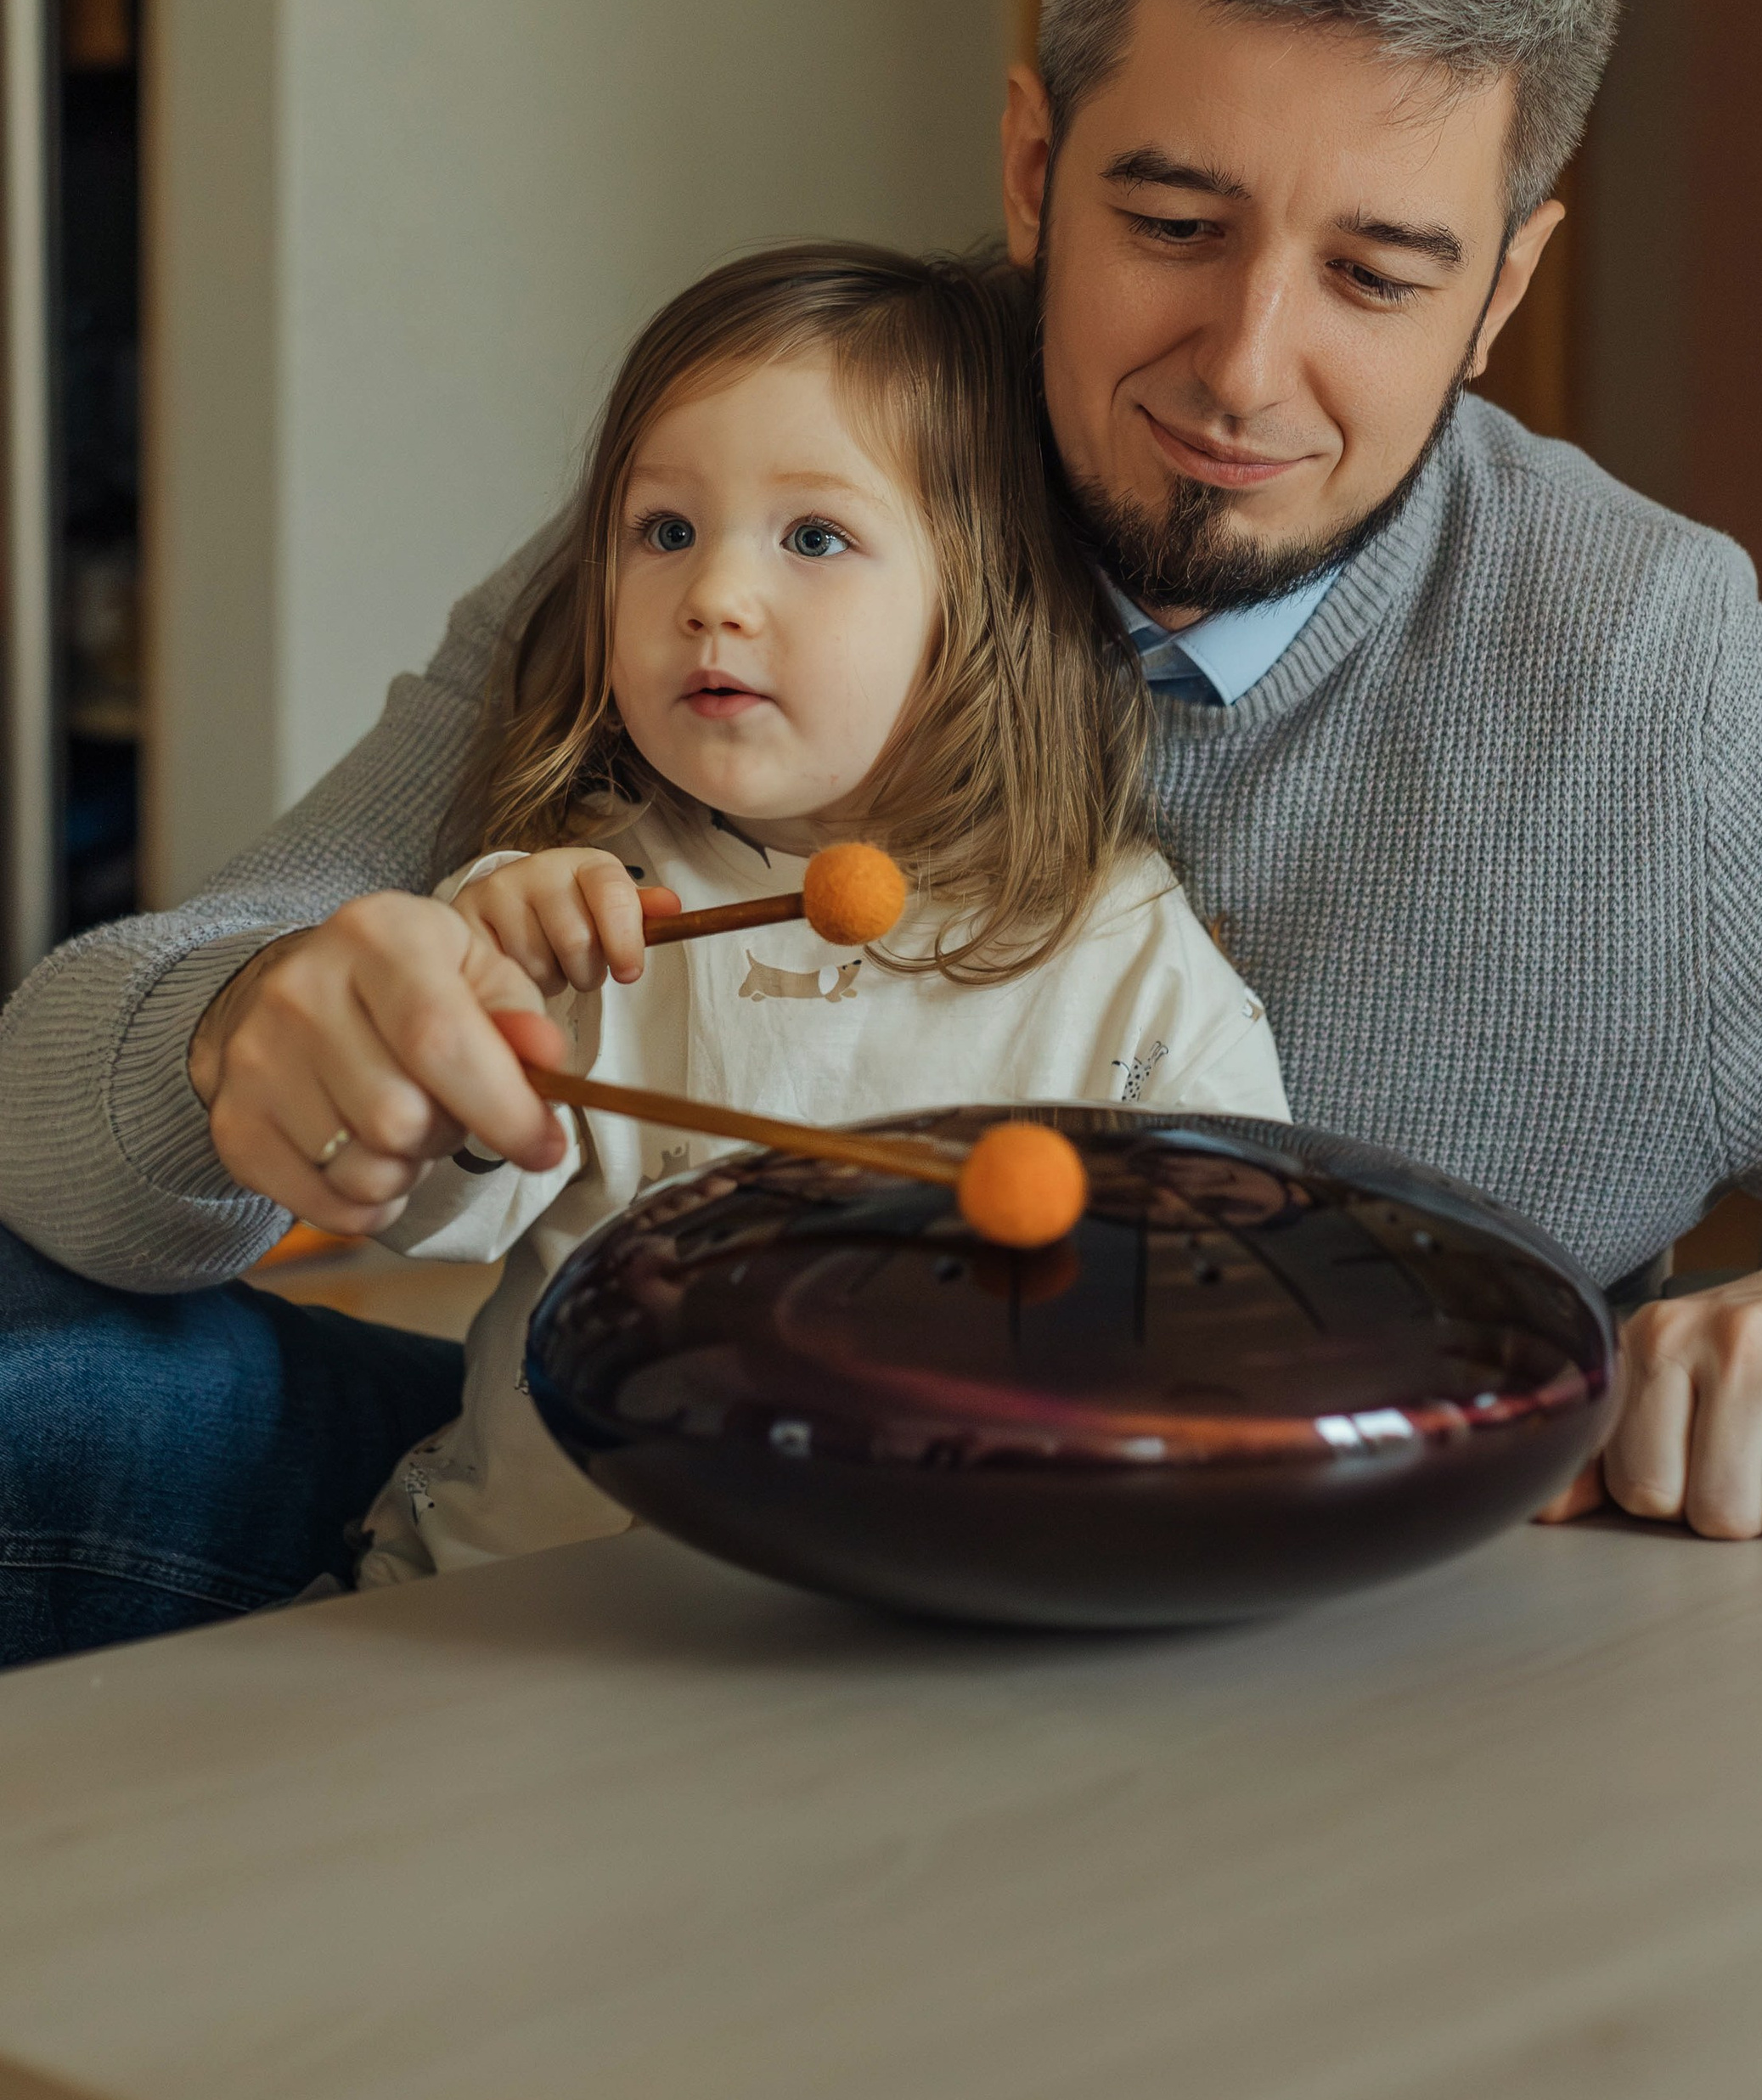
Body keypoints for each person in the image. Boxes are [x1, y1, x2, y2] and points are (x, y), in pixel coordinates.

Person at [3, 0, 1762, 1664]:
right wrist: (237, 1039)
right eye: (1172, 219)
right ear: (1035, 168)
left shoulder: (1647, 690)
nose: (1243, 366)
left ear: (1504, 285)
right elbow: (65, 1094)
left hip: (1282, 1657)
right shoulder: (790, 491)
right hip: (634, 1522)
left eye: (1376, 273)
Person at [352, 241, 1284, 1584]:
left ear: (982, 599)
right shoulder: (572, 904)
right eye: (665, 531)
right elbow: (422, 1213)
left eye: (814, 538)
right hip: (517, 1613)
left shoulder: (1122, 956)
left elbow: (1244, 1303)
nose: (713, 598)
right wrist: (475, 1015)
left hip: (928, 1625)